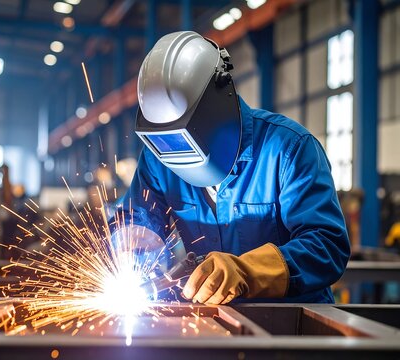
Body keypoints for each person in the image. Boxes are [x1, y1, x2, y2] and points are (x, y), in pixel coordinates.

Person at [116, 31, 350, 304]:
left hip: (291, 327)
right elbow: (135, 219)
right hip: (216, 326)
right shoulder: (158, 158)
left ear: (216, 104)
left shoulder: (288, 148)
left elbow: (327, 245)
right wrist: (134, 250)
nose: (174, 150)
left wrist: (247, 271)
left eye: (182, 135)